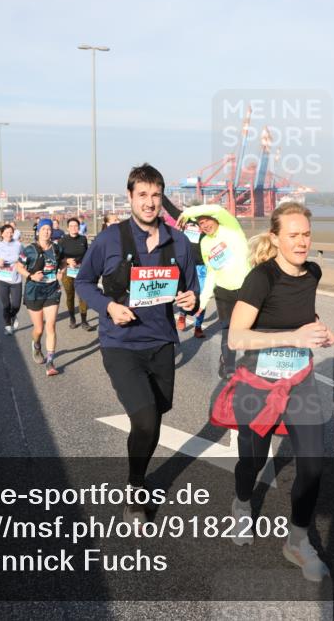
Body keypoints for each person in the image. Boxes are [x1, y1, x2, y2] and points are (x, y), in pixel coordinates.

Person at [209, 202, 334, 581]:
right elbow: (236, 337)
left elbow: (304, 314)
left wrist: (320, 329)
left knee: (313, 465)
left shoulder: (313, 272)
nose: (301, 242)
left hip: (299, 381)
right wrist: (293, 337)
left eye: (306, 234)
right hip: (258, 385)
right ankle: (242, 504)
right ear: (276, 238)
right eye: (293, 235)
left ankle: (297, 541)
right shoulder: (261, 278)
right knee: (252, 461)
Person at [76, 164, 198, 523]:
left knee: (154, 419)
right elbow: (84, 282)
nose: (149, 202)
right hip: (121, 344)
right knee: (145, 420)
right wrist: (108, 307)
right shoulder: (109, 239)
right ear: (129, 197)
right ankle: (135, 489)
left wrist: (191, 301)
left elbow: (191, 289)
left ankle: (138, 473)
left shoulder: (179, 242)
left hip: (161, 343)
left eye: (155, 195)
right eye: (142, 194)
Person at [178, 204, 251, 375]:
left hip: (247, 288)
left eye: (206, 220)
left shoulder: (231, 228)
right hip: (223, 292)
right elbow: (211, 272)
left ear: (215, 218)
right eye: (201, 223)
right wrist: (202, 303)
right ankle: (228, 365)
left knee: (251, 328)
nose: (205, 226)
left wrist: (187, 213)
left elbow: (218, 209)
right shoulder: (205, 243)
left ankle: (252, 364)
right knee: (228, 330)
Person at [15, 218, 65, 376]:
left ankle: (50, 362)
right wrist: (30, 276)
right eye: (43, 229)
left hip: (52, 290)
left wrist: (61, 271)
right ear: (38, 231)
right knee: (39, 329)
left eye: (49, 229)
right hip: (34, 291)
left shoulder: (57, 248)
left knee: (51, 326)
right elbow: (18, 266)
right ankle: (36, 345)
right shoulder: (29, 250)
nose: (46, 232)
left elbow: (63, 262)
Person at [58, 217, 93, 331]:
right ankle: (72, 318)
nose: (74, 228)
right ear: (67, 228)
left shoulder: (83, 239)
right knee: (70, 296)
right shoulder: (63, 240)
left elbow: (87, 254)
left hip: (81, 272)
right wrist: (67, 260)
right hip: (67, 271)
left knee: (83, 296)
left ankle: (84, 321)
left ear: (79, 227)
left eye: (76, 226)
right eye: (71, 226)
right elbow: (58, 257)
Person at [177, 219, 208, 338]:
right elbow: (171, 211)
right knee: (184, 293)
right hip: (186, 264)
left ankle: (198, 327)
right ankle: (182, 315)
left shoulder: (206, 221)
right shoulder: (186, 219)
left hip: (203, 267)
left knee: (202, 298)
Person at [0, 224, 23, 335]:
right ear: (2, 234)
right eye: (7, 232)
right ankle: (8, 325)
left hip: (15, 279)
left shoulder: (18, 245)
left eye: (11, 232)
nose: (9, 234)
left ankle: (13, 315)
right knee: (6, 305)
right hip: (2, 279)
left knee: (16, 305)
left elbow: (24, 258)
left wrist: (22, 262)